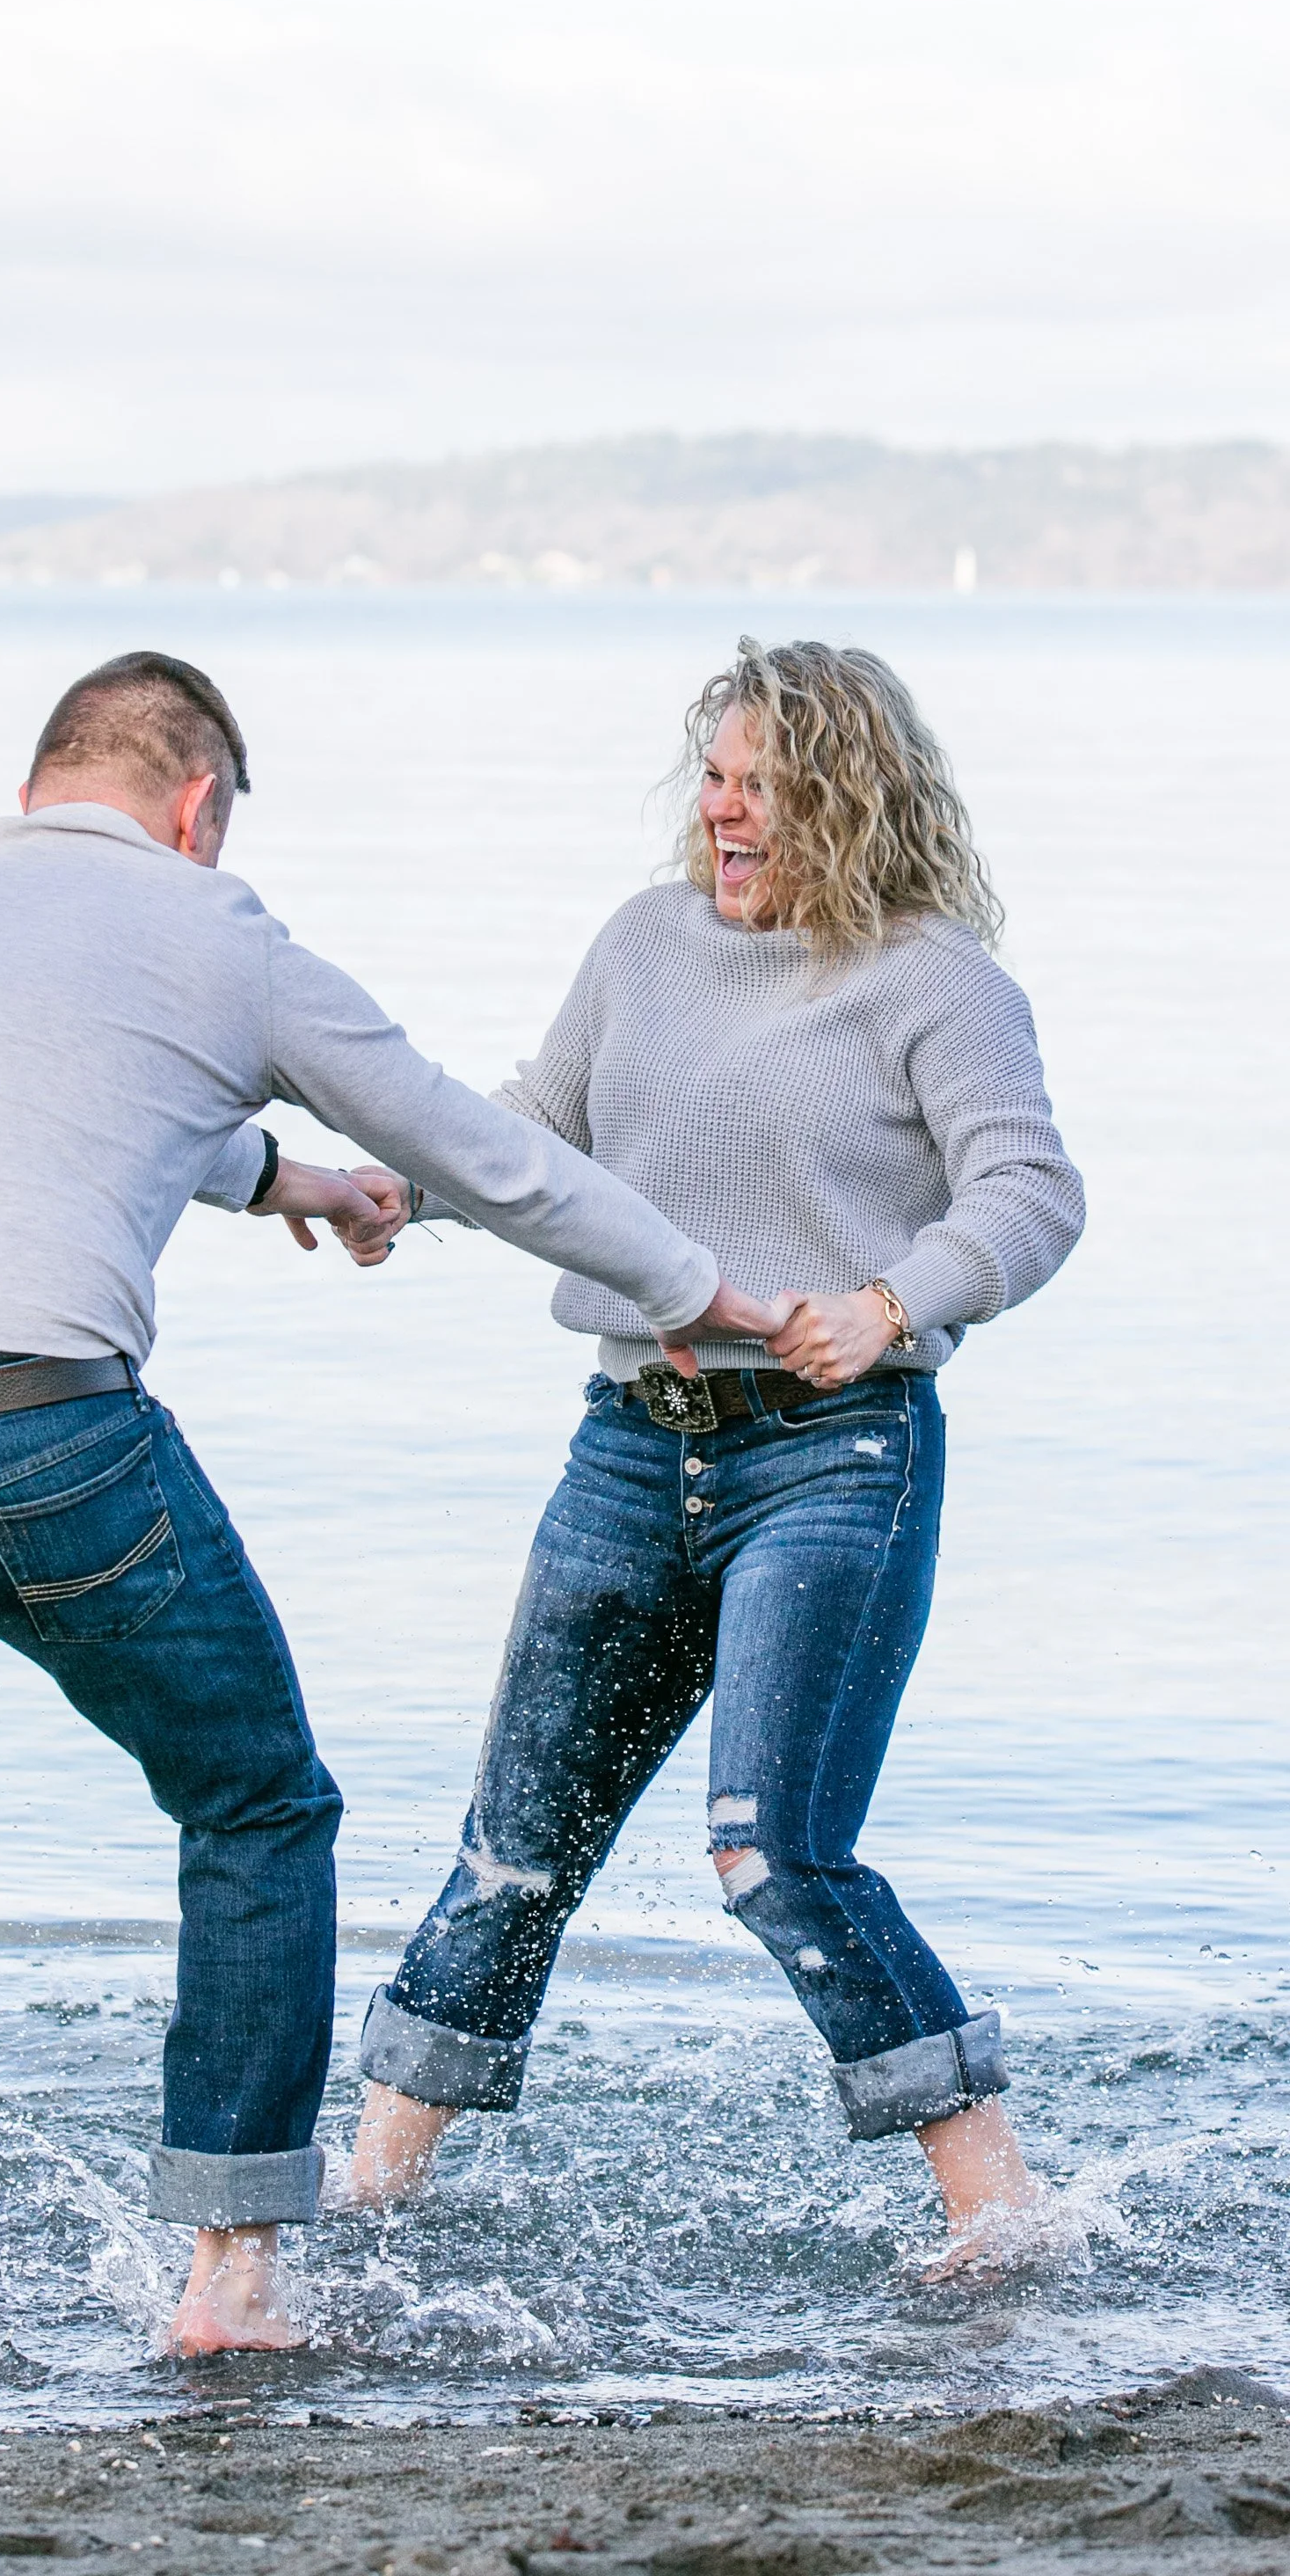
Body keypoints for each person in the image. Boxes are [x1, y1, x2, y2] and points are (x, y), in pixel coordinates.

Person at [0, 649, 780, 2372]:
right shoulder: (215, 927)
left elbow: (82, 1096)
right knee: (257, 1809)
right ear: (197, 806)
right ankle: (231, 2283)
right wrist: (699, 1283)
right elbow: (490, 1157)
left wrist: (281, 1180)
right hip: (49, 1441)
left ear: (49, 777)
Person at [349, 637, 1085, 2270]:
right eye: (715, 779)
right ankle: (361, 2203)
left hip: (835, 1458)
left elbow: (1030, 1196)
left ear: (850, 801)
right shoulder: (644, 944)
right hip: (629, 1449)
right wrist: (401, 1183)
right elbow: (536, 1126)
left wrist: (895, 1300)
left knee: (771, 1855)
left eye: (762, 786)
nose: (724, 814)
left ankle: (1000, 2214)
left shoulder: (934, 979)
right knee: (512, 1853)